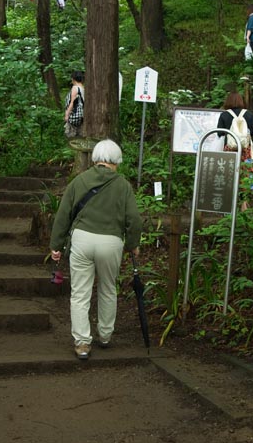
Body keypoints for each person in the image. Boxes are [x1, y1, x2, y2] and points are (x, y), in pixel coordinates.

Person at [49, 139, 142, 360]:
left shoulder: (80, 180)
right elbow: (134, 220)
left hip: (82, 240)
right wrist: (132, 245)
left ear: (95, 158)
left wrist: (56, 245)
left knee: (80, 293)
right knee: (108, 289)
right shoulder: (123, 185)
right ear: (116, 161)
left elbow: (63, 215)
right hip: (111, 242)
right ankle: (105, 335)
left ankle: (82, 343)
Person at [217, 91, 253, 209]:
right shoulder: (248, 114)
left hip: (230, 150)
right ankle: (244, 203)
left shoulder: (224, 115)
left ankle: (230, 204)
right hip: (245, 150)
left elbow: (219, 133)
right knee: (245, 174)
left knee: (229, 174)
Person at [63, 70, 85, 138]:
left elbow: (72, 102)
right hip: (81, 115)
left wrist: (67, 114)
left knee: (71, 137)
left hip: (74, 116)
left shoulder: (75, 88)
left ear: (73, 78)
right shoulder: (83, 88)